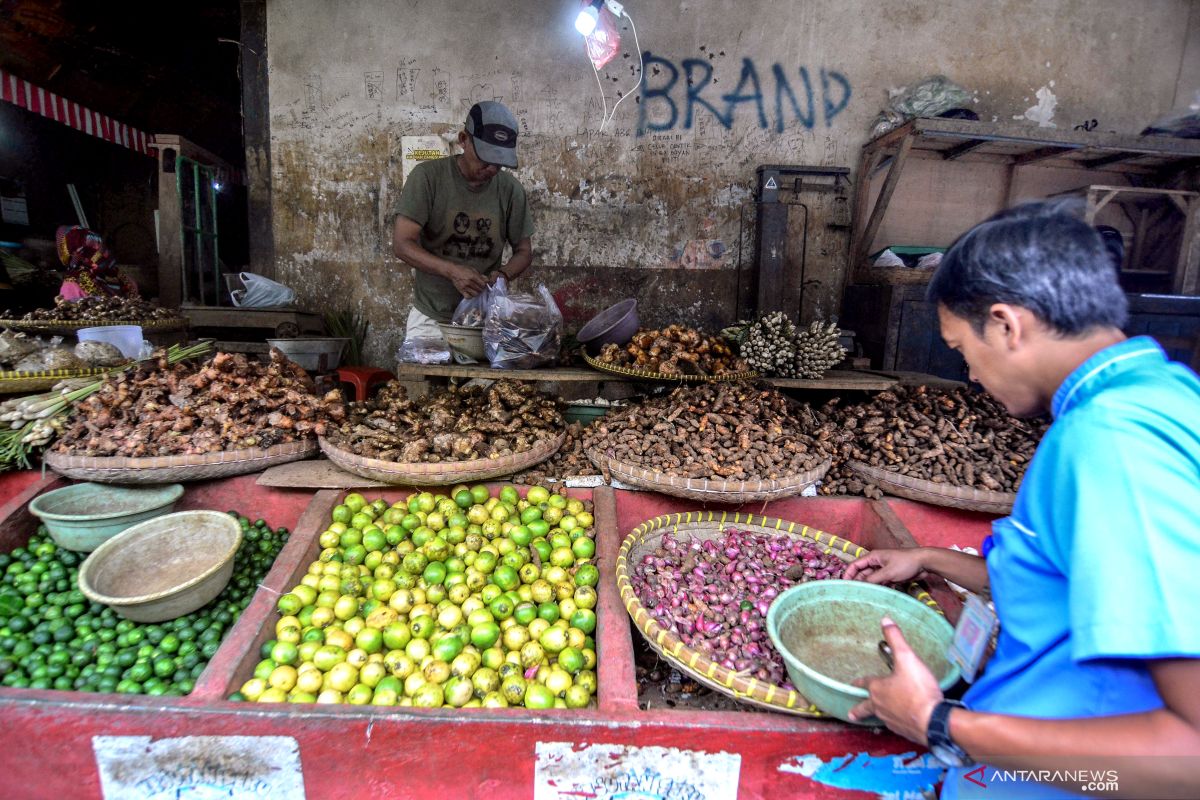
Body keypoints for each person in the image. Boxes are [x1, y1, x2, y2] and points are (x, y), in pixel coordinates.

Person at [843, 201, 1200, 798]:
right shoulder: (1164, 395)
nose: (973, 377)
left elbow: (1188, 759)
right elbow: (1079, 581)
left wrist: (939, 724)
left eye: (962, 351)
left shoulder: (1113, 442)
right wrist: (929, 559)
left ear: (1007, 325)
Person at [392, 101, 533, 343]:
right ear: (463, 139)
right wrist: (452, 271)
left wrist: (504, 274)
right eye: (485, 159)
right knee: (422, 380)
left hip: (484, 320)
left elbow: (524, 250)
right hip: (431, 319)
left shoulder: (511, 190)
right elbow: (402, 244)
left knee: (486, 383)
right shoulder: (427, 178)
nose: (491, 168)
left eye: (498, 163)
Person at [55, 225, 137, 299]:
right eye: (90, 249)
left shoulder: (119, 278)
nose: (101, 251)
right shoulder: (71, 286)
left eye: (99, 244)